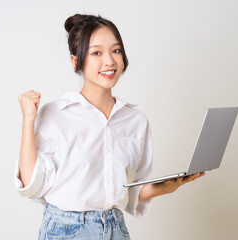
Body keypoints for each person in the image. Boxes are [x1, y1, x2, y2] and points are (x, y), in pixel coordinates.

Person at [15, 13, 205, 240]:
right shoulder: (55, 114)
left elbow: (129, 190)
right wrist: (28, 120)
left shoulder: (136, 121)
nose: (110, 61)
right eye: (96, 53)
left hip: (115, 228)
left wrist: (168, 186)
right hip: (67, 231)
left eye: (116, 50)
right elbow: (30, 184)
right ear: (76, 61)